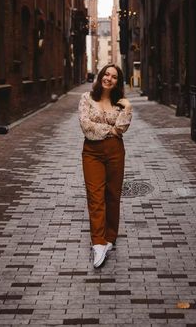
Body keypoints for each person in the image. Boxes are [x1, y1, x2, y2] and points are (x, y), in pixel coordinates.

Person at [78, 64, 132, 268]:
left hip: (116, 152)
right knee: (95, 196)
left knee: (113, 195)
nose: (109, 78)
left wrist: (128, 107)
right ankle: (98, 242)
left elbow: (122, 128)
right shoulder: (86, 98)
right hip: (92, 153)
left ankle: (110, 237)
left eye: (114, 76)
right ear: (101, 76)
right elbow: (86, 126)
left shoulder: (120, 104)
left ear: (118, 81)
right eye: (106, 74)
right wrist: (110, 130)